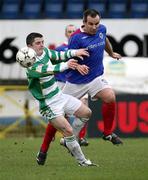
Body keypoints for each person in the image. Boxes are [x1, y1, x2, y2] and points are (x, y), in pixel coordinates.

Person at [18, 32, 97, 167]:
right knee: (68, 130)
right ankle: (82, 161)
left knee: (86, 113)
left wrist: (74, 52)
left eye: (42, 42)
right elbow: (49, 69)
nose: (42, 45)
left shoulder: (45, 52)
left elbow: (59, 55)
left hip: (59, 96)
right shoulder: (29, 65)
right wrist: (66, 65)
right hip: (48, 104)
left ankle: (69, 141)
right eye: (38, 43)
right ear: (29, 46)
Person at [62, 9, 123, 146]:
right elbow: (70, 58)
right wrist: (78, 67)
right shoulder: (76, 38)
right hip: (76, 81)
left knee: (110, 97)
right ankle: (48, 144)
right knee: (59, 109)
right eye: (91, 24)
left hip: (95, 77)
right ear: (84, 23)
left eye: (97, 23)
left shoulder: (102, 29)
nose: (95, 27)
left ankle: (107, 133)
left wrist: (111, 53)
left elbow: (105, 39)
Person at [37, 25, 89, 162]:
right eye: (69, 31)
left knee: (84, 109)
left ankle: (79, 138)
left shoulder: (81, 47)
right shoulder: (59, 49)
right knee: (60, 117)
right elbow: (49, 67)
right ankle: (44, 149)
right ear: (66, 34)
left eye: (73, 31)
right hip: (60, 84)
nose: (72, 33)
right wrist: (68, 65)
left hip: (76, 83)